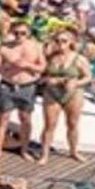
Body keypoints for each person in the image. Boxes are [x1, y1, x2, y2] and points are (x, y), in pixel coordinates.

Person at [0, 20, 45, 162]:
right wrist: (6, 67)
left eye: (23, 33)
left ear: (29, 33)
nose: (19, 35)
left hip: (27, 86)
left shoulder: (36, 47)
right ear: (12, 33)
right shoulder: (4, 48)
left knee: (26, 119)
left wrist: (28, 65)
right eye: (16, 33)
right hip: (7, 85)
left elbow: (42, 67)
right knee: (2, 119)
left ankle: (24, 149)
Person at [39, 29, 92, 164]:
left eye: (64, 41)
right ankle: (44, 154)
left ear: (71, 42)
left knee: (72, 124)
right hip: (52, 93)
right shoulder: (50, 57)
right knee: (49, 125)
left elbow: (88, 77)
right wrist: (47, 79)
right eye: (57, 41)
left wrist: (76, 82)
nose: (60, 44)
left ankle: (74, 151)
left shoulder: (79, 59)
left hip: (73, 93)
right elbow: (40, 75)